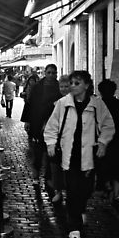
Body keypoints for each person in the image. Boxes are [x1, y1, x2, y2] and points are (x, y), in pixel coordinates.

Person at [44, 71, 115, 238]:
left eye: (77, 83)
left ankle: (80, 208)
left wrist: (103, 143)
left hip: (89, 154)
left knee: (86, 189)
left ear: (87, 85)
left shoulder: (97, 104)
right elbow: (52, 125)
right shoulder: (63, 103)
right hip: (69, 153)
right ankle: (74, 226)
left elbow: (108, 126)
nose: (73, 86)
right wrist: (51, 143)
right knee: (72, 189)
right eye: (72, 83)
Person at [96, 79, 119, 202]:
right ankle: (116, 193)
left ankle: (106, 185)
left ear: (100, 91)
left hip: (103, 136)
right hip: (118, 136)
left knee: (104, 163)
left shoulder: (97, 104)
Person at [27, 64, 61, 186]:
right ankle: (36, 171)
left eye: (53, 72)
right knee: (38, 150)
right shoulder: (37, 87)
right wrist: (28, 121)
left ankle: (49, 176)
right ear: (45, 73)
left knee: (51, 151)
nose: (51, 75)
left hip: (54, 123)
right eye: (49, 72)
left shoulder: (59, 87)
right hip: (38, 122)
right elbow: (30, 103)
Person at [49, 74, 73, 203]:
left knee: (69, 169)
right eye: (61, 86)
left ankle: (70, 192)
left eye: (66, 86)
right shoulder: (56, 101)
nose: (63, 89)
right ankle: (58, 191)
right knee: (56, 168)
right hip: (57, 141)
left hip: (70, 141)